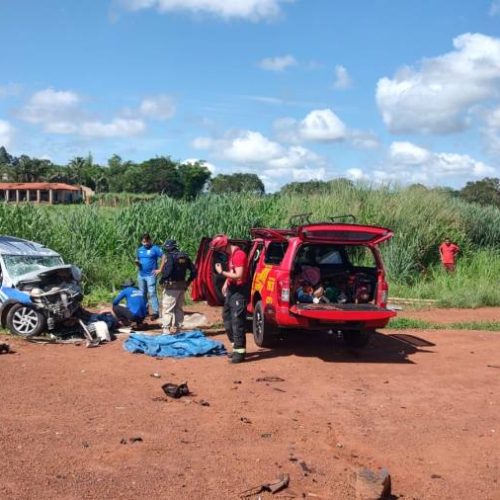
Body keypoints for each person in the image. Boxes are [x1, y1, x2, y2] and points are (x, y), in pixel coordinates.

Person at [211, 234, 248, 364]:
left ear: (223, 247)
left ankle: (240, 352)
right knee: (227, 317)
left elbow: (239, 275)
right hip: (232, 290)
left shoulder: (239, 255)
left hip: (239, 292)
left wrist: (222, 273)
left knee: (237, 321)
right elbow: (233, 272)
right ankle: (235, 346)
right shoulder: (231, 255)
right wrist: (227, 281)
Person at [158, 239, 197, 334]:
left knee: (168, 308)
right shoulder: (184, 257)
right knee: (178, 308)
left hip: (171, 287)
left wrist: (162, 280)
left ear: (168, 248)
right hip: (182, 286)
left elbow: (168, 270)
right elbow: (194, 271)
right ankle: (178, 329)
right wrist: (188, 282)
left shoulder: (170, 257)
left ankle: (166, 330)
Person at [135, 233, 163, 320]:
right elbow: (138, 260)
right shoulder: (139, 250)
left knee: (152, 293)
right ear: (141, 242)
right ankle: (145, 311)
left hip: (151, 275)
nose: (145, 243)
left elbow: (164, 257)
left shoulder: (155, 249)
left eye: (147, 241)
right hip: (141, 275)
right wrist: (137, 263)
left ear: (150, 241)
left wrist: (160, 269)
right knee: (142, 293)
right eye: (144, 242)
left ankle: (155, 312)